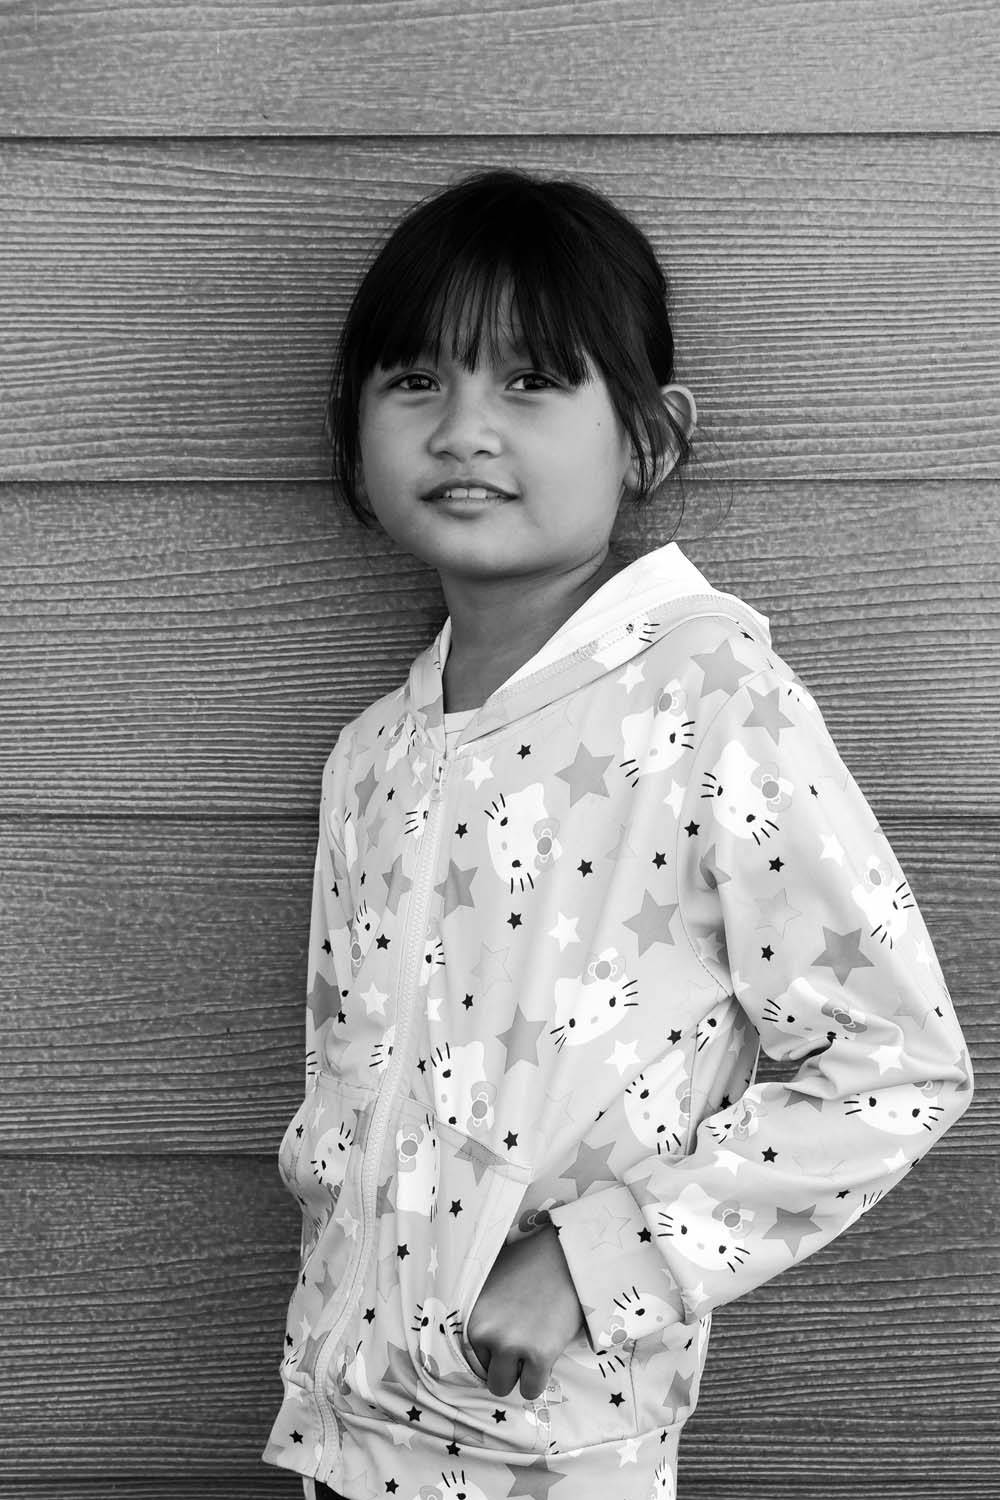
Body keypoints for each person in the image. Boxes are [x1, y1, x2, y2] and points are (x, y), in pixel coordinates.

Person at [261, 167, 974, 1500]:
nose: (464, 429)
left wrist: (604, 1259)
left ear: (649, 440)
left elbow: (896, 1067)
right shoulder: (375, 757)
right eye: (416, 381)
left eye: (531, 381)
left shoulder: (711, 701)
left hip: (552, 1444)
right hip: (342, 1436)